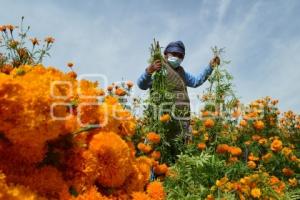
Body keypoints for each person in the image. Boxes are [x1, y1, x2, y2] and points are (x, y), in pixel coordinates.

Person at [137, 41, 219, 161]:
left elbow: (196, 81)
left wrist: (210, 67)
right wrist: (149, 71)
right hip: (163, 120)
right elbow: (141, 84)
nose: (177, 57)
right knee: (157, 154)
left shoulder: (182, 72)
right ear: (165, 54)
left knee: (177, 155)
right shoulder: (158, 68)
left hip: (181, 121)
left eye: (181, 56)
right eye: (174, 53)